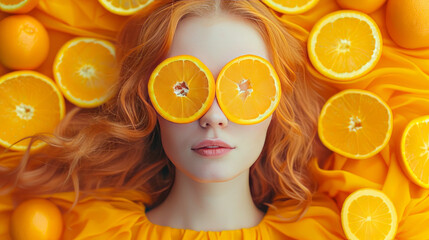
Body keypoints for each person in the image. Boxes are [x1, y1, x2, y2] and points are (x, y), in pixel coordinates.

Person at [0, 0, 343, 239]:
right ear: (149, 100)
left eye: (244, 87)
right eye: (184, 86)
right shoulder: (93, 231)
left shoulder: (328, 232)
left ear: (276, 103)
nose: (213, 117)